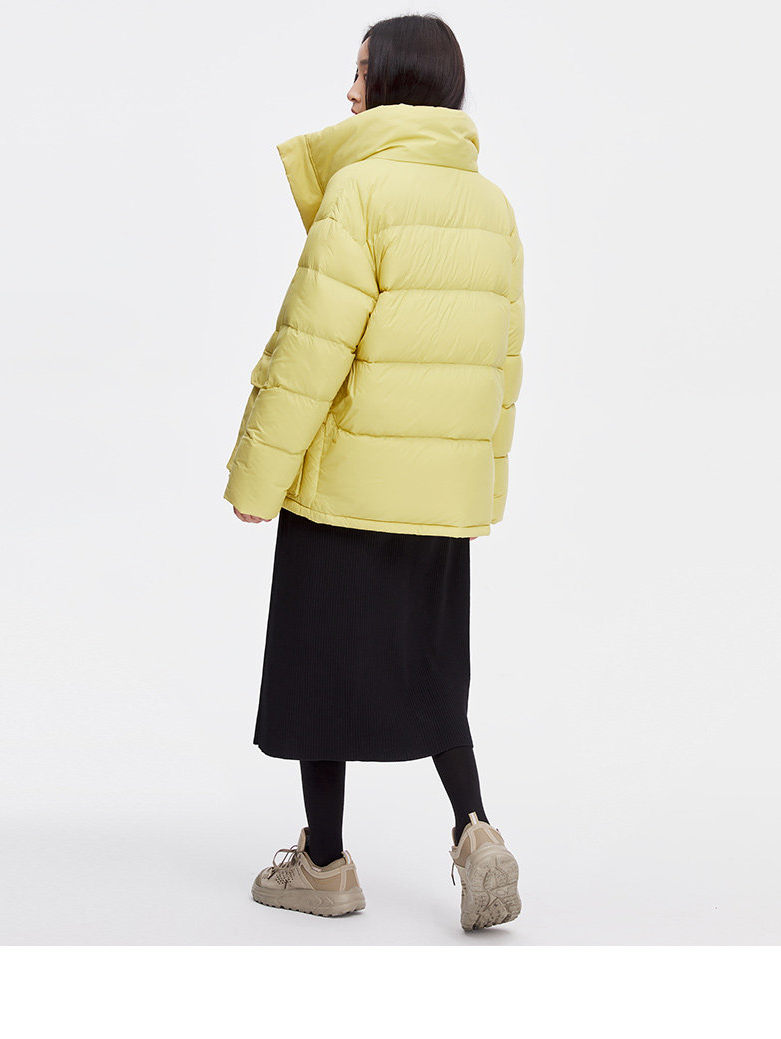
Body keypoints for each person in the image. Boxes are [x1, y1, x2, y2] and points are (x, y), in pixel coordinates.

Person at [223, 14, 525, 931]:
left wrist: (256, 476)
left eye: (361, 72)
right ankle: (475, 829)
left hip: (347, 487)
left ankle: (323, 863)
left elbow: (311, 349)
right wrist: (481, 486)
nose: (349, 91)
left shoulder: (360, 190)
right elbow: (503, 368)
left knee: (321, 669)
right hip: (437, 497)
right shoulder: (493, 206)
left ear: (394, 81)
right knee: (433, 673)